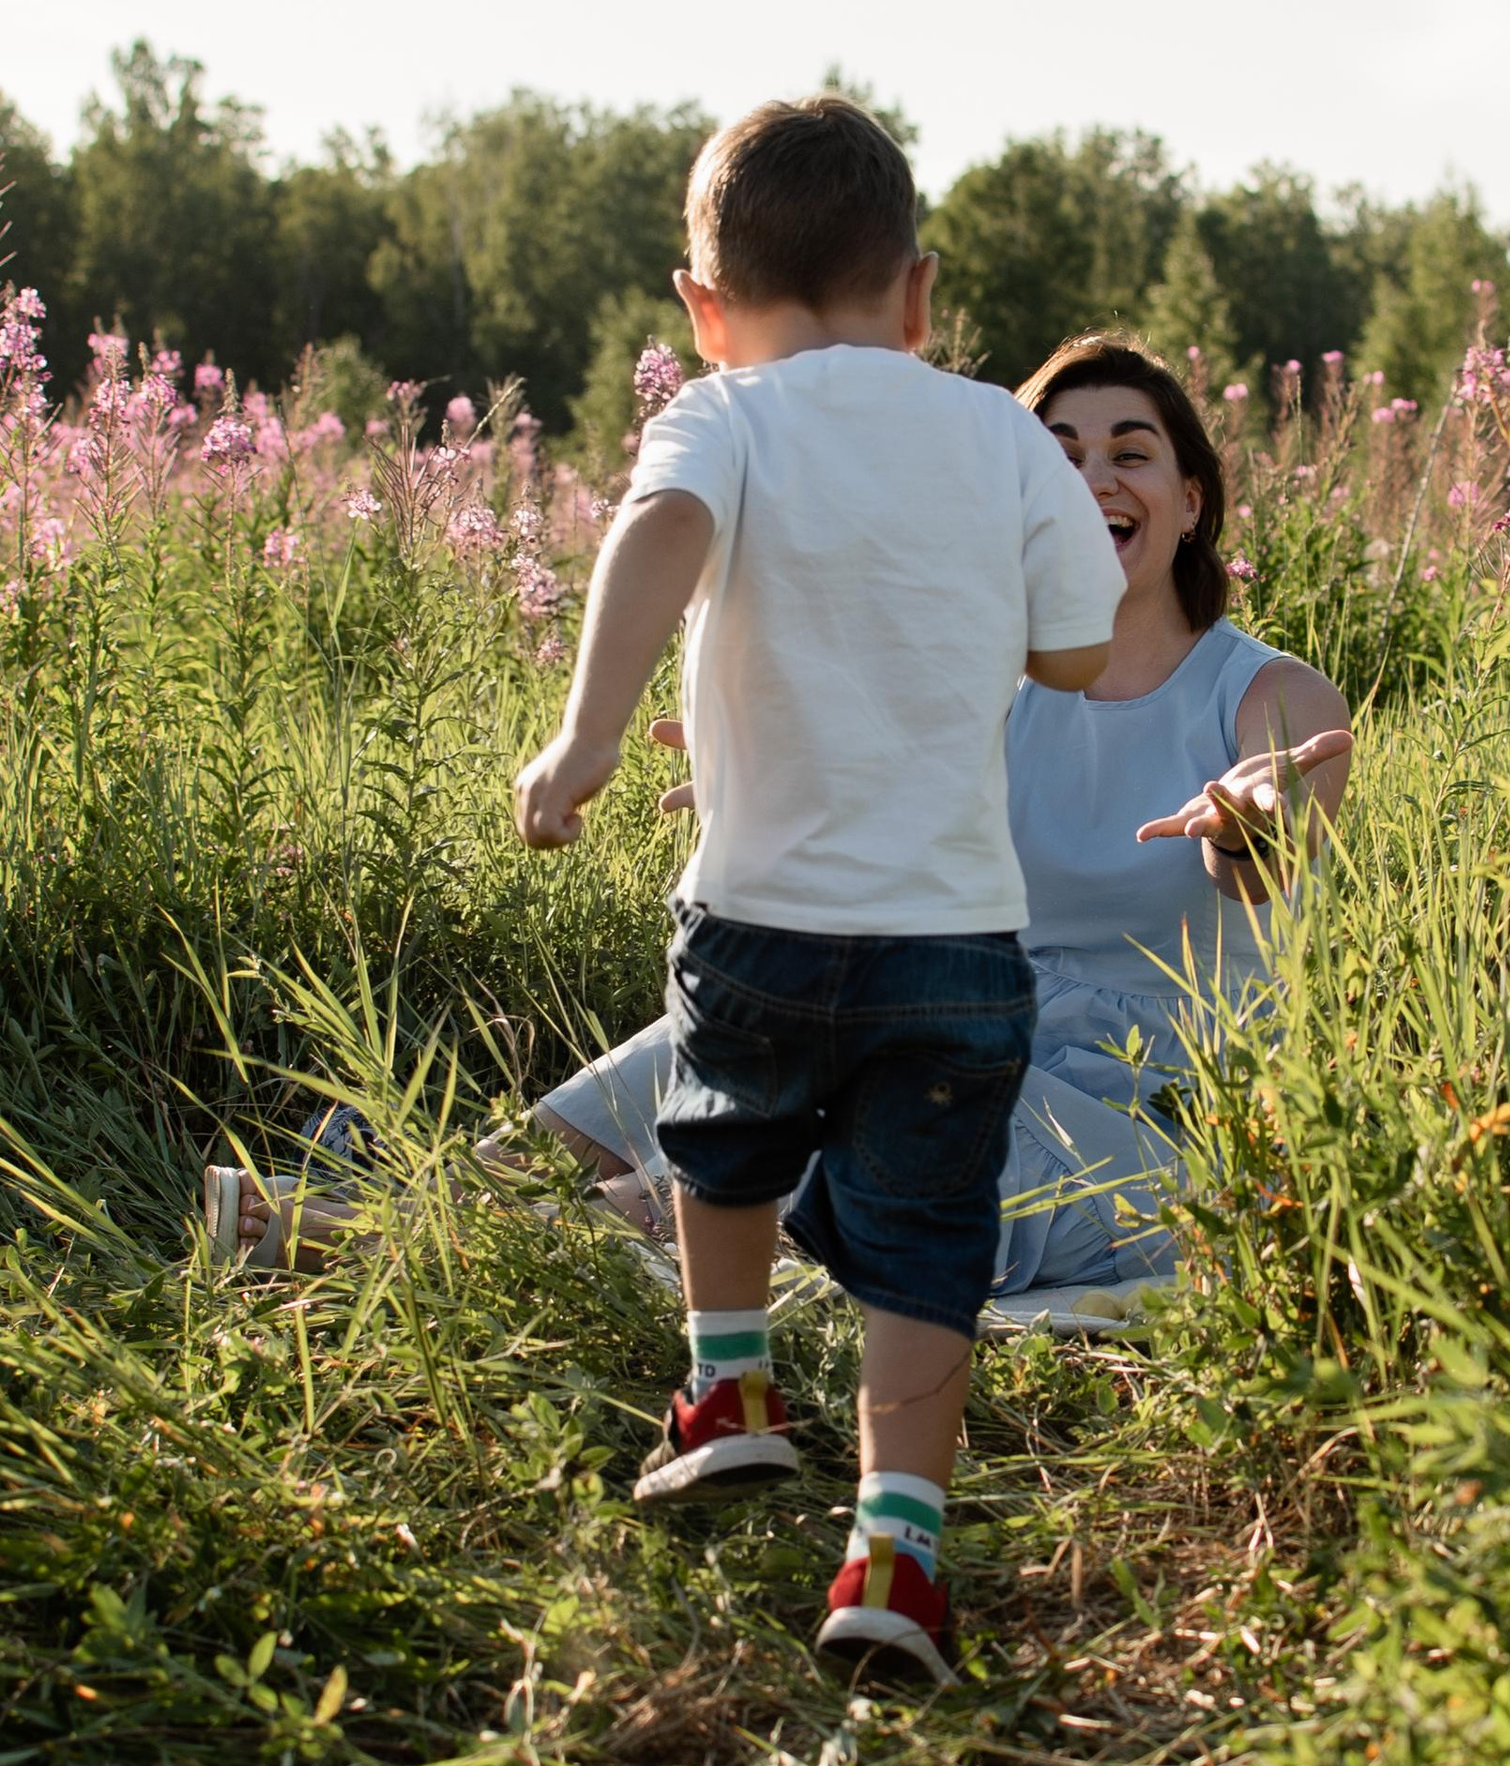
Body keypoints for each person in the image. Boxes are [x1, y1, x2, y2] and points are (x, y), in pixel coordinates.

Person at [513, 94, 1127, 1686]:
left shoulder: (726, 417)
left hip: (765, 914)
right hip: (955, 940)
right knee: (929, 1238)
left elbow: (659, 531)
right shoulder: (998, 428)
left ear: (703, 311)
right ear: (917, 295)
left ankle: (729, 1387)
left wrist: (585, 739)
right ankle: (897, 1550)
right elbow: (1074, 643)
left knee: (722, 1130)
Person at [537, 337, 1353, 1299]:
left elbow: (1270, 850)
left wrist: (1249, 824)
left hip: (1154, 1130)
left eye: (1130, 455)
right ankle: (440, 1212)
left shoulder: (1272, 695)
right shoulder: (986, 687)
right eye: (1058, 458)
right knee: (700, 1049)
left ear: (1191, 502)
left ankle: (501, 1255)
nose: (1095, 482)